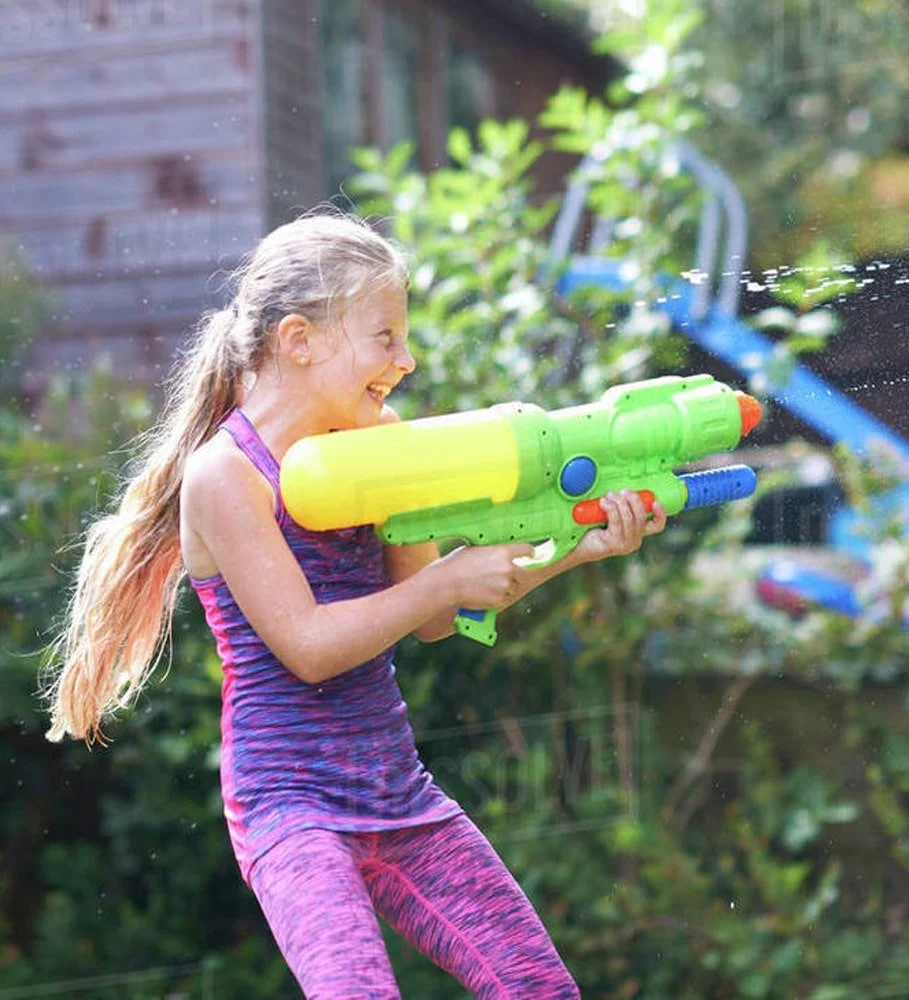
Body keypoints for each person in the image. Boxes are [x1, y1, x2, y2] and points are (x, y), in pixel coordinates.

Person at [44, 210, 667, 999]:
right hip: (289, 806)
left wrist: (579, 549)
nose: (405, 361)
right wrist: (442, 582)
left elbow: (439, 612)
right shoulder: (228, 476)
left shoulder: (382, 444)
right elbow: (309, 644)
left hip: (397, 792)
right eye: (384, 338)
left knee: (543, 990)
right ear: (298, 340)